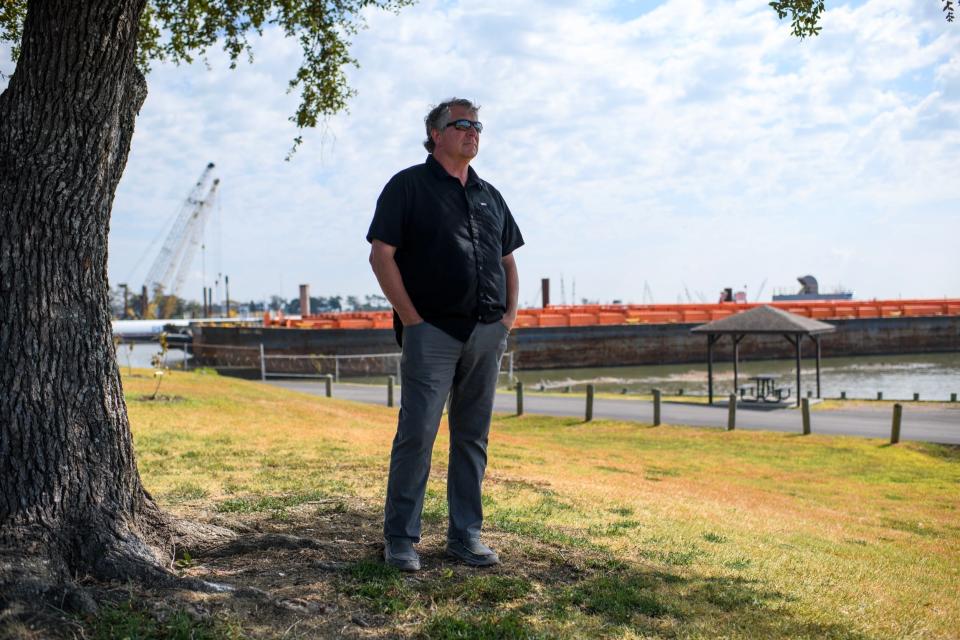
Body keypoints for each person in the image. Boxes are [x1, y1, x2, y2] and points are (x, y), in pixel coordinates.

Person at [367, 98, 523, 571]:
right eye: (462, 124)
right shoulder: (407, 186)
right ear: (436, 133)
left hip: (485, 333)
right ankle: (400, 539)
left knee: (472, 437)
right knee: (417, 434)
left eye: (477, 125)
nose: (473, 131)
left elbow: (508, 261)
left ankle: (466, 536)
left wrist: (508, 319)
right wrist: (412, 320)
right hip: (430, 332)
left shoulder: (489, 195)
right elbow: (381, 255)